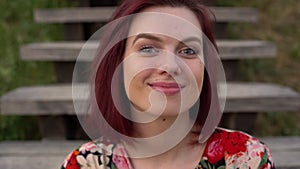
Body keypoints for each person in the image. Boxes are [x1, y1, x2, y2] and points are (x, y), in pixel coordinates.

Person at [62, 0, 275, 168]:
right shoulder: (85, 164)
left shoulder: (246, 159)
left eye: (188, 51)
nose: (170, 66)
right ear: (117, 62)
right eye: (148, 48)